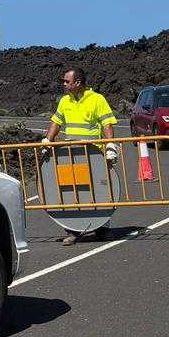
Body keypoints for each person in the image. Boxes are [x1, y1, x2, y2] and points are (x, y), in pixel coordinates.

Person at [45, 67, 118, 245]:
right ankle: (73, 230)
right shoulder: (64, 101)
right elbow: (56, 122)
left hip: (94, 155)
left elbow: (107, 124)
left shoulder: (97, 99)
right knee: (72, 191)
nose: (64, 84)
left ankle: (102, 228)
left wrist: (110, 146)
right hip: (71, 155)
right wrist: (47, 141)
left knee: (99, 191)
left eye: (66, 81)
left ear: (77, 82)